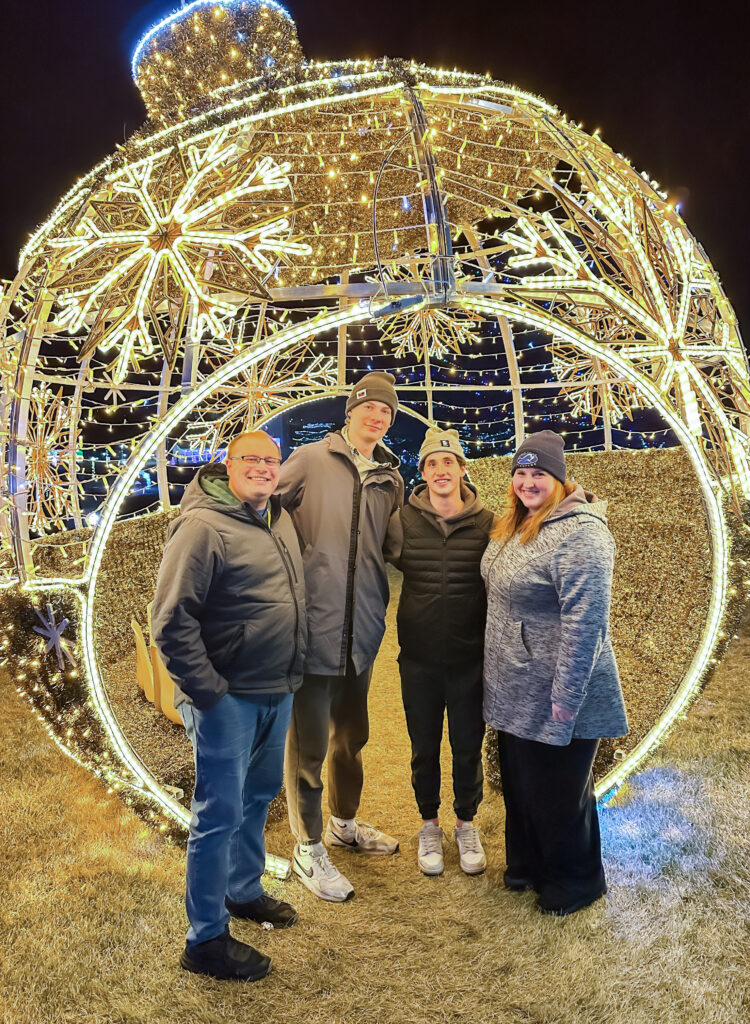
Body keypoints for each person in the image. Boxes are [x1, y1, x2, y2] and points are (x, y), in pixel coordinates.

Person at [152, 430, 307, 980]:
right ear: (227, 465)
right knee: (217, 815)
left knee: (258, 796)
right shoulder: (202, 526)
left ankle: (244, 890)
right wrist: (209, 693)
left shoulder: (278, 517)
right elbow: (171, 621)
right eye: (252, 460)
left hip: (276, 687)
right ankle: (206, 940)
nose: (263, 468)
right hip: (228, 698)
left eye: (272, 460)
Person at [481, 429, 628, 916]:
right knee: (523, 786)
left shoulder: (582, 535)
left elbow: (586, 626)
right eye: (521, 473)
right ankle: (527, 867)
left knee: (559, 794)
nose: (528, 482)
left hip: (557, 688)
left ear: (560, 479)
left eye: (538, 473)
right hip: (516, 686)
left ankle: (575, 881)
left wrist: (565, 701)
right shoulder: (517, 523)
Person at [278, 371, 404, 902]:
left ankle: (342, 823)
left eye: (386, 412)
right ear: (350, 412)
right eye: (368, 407)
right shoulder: (309, 460)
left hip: (363, 633)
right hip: (312, 628)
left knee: (351, 738)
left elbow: (398, 547)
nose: (376, 416)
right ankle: (307, 846)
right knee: (307, 746)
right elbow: (261, 505)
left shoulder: (390, 479)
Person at [387, 427, 496, 876]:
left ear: (462, 468)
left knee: (468, 744)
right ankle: (429, 825)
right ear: (423, 470)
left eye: (448, 462)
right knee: (424, 745)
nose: (440, 470)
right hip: (419, 658)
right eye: (432, 463)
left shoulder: (489, 522)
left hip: (471, 658)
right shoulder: (402, 521)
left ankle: (465, 823)